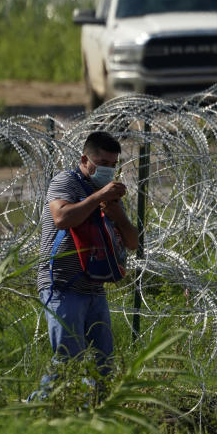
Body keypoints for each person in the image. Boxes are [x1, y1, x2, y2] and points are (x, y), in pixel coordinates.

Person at [32, 131, 139, 401]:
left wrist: (119, 217)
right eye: (102, 163)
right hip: (62, 284)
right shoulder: (66, 182)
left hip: (93, 286)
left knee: (103, 361)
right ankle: (38, 407)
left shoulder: (109, 197)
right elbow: (61, 218)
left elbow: (132, 242)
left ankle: (98, 411)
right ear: (84, 159)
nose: (108, 170)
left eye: (113, 165)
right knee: (68, 357)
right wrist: (97, 197)